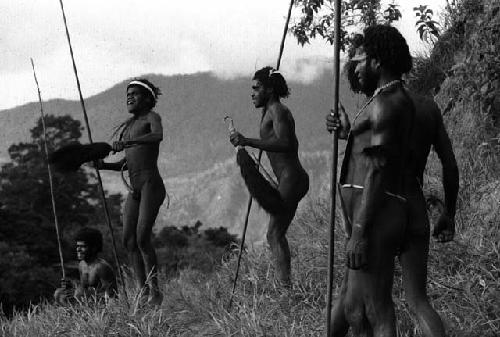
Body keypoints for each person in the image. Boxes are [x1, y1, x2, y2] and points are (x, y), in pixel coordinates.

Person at [326, 31, 459, 336]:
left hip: (381, 207)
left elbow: (378, 165)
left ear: (378, 59)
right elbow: (448, 164)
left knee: (363, 304)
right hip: (411, 206)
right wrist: (448, 212)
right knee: (417, 300)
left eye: (361, 59)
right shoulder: (425, 107)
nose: (357, 68)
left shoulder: (385, 104)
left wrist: (358, 230)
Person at [229, 67, 309, 287]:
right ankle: (285, 286)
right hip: (289, 180)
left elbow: (286, 143)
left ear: (269, 89)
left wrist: (248, 141)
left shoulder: (278, 111)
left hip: (292, 179)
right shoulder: (269, 111)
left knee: (274, 234)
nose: (252, 93)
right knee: (275, 234)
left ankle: (285, 288)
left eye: (256, 88)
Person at [97, 78, 165, 305]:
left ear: (147, 98)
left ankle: (155, 291)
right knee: (128, 240)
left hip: (151, 186)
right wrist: (104, 165)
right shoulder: (129, 127)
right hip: (135, 189)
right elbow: (125, 163)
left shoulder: (151, 118)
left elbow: (157, 136)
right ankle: (142, 290)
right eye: (128, 94)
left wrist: (127, 143)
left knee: (143, 237)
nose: (129, 97)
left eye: (135, 94)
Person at [54, 227, 116, 304]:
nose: (78, 249)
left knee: (78, 293)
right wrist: (71, 284)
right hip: (85, 302)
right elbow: (84, 287)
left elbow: (112, 296)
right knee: (59, 293)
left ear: (94, 248)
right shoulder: (82, 265)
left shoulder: (101, 267)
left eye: (83, 247)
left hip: (99, 305)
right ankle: (73, 312)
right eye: (77, 246)